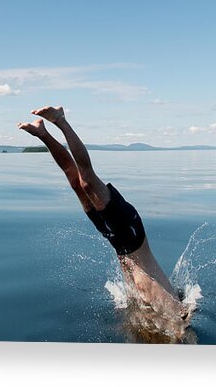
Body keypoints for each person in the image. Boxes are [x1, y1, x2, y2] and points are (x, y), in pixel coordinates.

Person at [18, 106, 191, 339]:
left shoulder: (153, 306)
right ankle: (61, 120)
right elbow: (185, 321)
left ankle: (43, 134)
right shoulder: (175, 313)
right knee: (88, 180)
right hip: (131, 234)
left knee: (75, 182)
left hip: (117, 241)